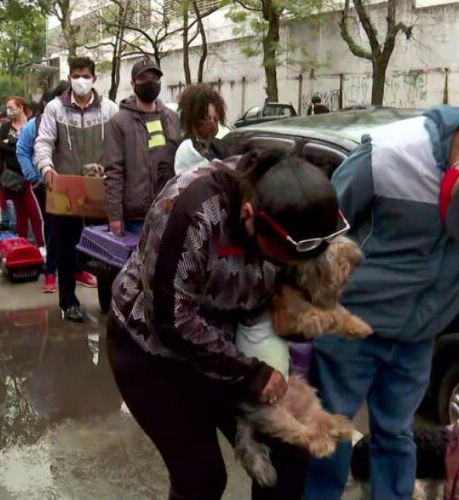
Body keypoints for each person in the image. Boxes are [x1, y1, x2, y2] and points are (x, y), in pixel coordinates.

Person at [305, 106, 459, 500]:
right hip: (352, 323)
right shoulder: (389, 156)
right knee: (329, 430)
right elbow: (321, 229)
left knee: (397, 434)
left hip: (419, 334)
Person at [109, 149, 344, 499]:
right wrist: (252, 373)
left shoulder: (298, 210)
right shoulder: (191, 209)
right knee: (202, 478)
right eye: (280, 258)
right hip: (152, 350)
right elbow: (172, 321)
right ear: (250, 217)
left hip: (228, 343)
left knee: (289, 451)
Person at [35, 57, 119, 322]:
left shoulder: (109, 109)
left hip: (100, 189)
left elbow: (119, 147)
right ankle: (68, 302)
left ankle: (109, 302)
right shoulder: (55, 109)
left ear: (94, 78)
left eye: (85, 75)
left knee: (106, 249)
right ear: (69, 77)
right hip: (66, 190)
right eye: (75, 75)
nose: (80, 80)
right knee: (65, 248)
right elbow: (44, 142)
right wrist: (46, 168)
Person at [103, 58, 180, 237]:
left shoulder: (172, 118)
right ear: (133, 83)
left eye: (154, 78)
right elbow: (113, 171)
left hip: (169, 212)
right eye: (143, 78)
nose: (149, 83)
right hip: (135, 219)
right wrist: (115, 216)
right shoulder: (119, 122)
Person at [17, 82, 69, 294]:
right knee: (52, 228)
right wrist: (34, 177)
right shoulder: (35, 125)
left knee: (76, 229)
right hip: (45, 184)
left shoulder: (74, 121)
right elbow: (22, 150)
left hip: (70, 184)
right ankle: (50, 272)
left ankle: (76, 269)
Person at [0, 96, 45, 254]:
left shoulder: (32, 125)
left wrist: (11, 143)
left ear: (21, 107)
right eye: (7, 107)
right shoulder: (6, 126)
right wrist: (17, 144)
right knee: (20, 214)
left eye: (12, 107)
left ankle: (42, 245)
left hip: (30, 177)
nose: (9, 111)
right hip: (13, 177)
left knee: (35, 213)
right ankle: (22, 245)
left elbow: (33, 146)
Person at [173, 84, 231, 177]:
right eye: (207, 118)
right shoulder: (175, 151)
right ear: (192, 119)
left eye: (215, 119)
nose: (212, 123)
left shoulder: (220, 149)